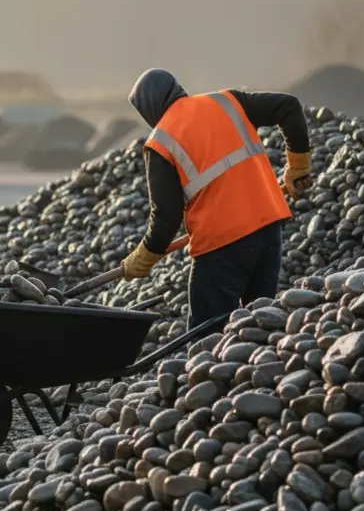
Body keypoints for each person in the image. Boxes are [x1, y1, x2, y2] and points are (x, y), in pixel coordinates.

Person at [120, 68, 314, 332]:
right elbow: (289, 106)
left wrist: (143, 257)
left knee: (205, 336)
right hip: (268, 228)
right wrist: (298, 165)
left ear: (148, 109)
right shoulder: (227, 102)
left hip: (222, 246)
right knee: (261, 325)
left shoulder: (161, 141)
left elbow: (166, 218)